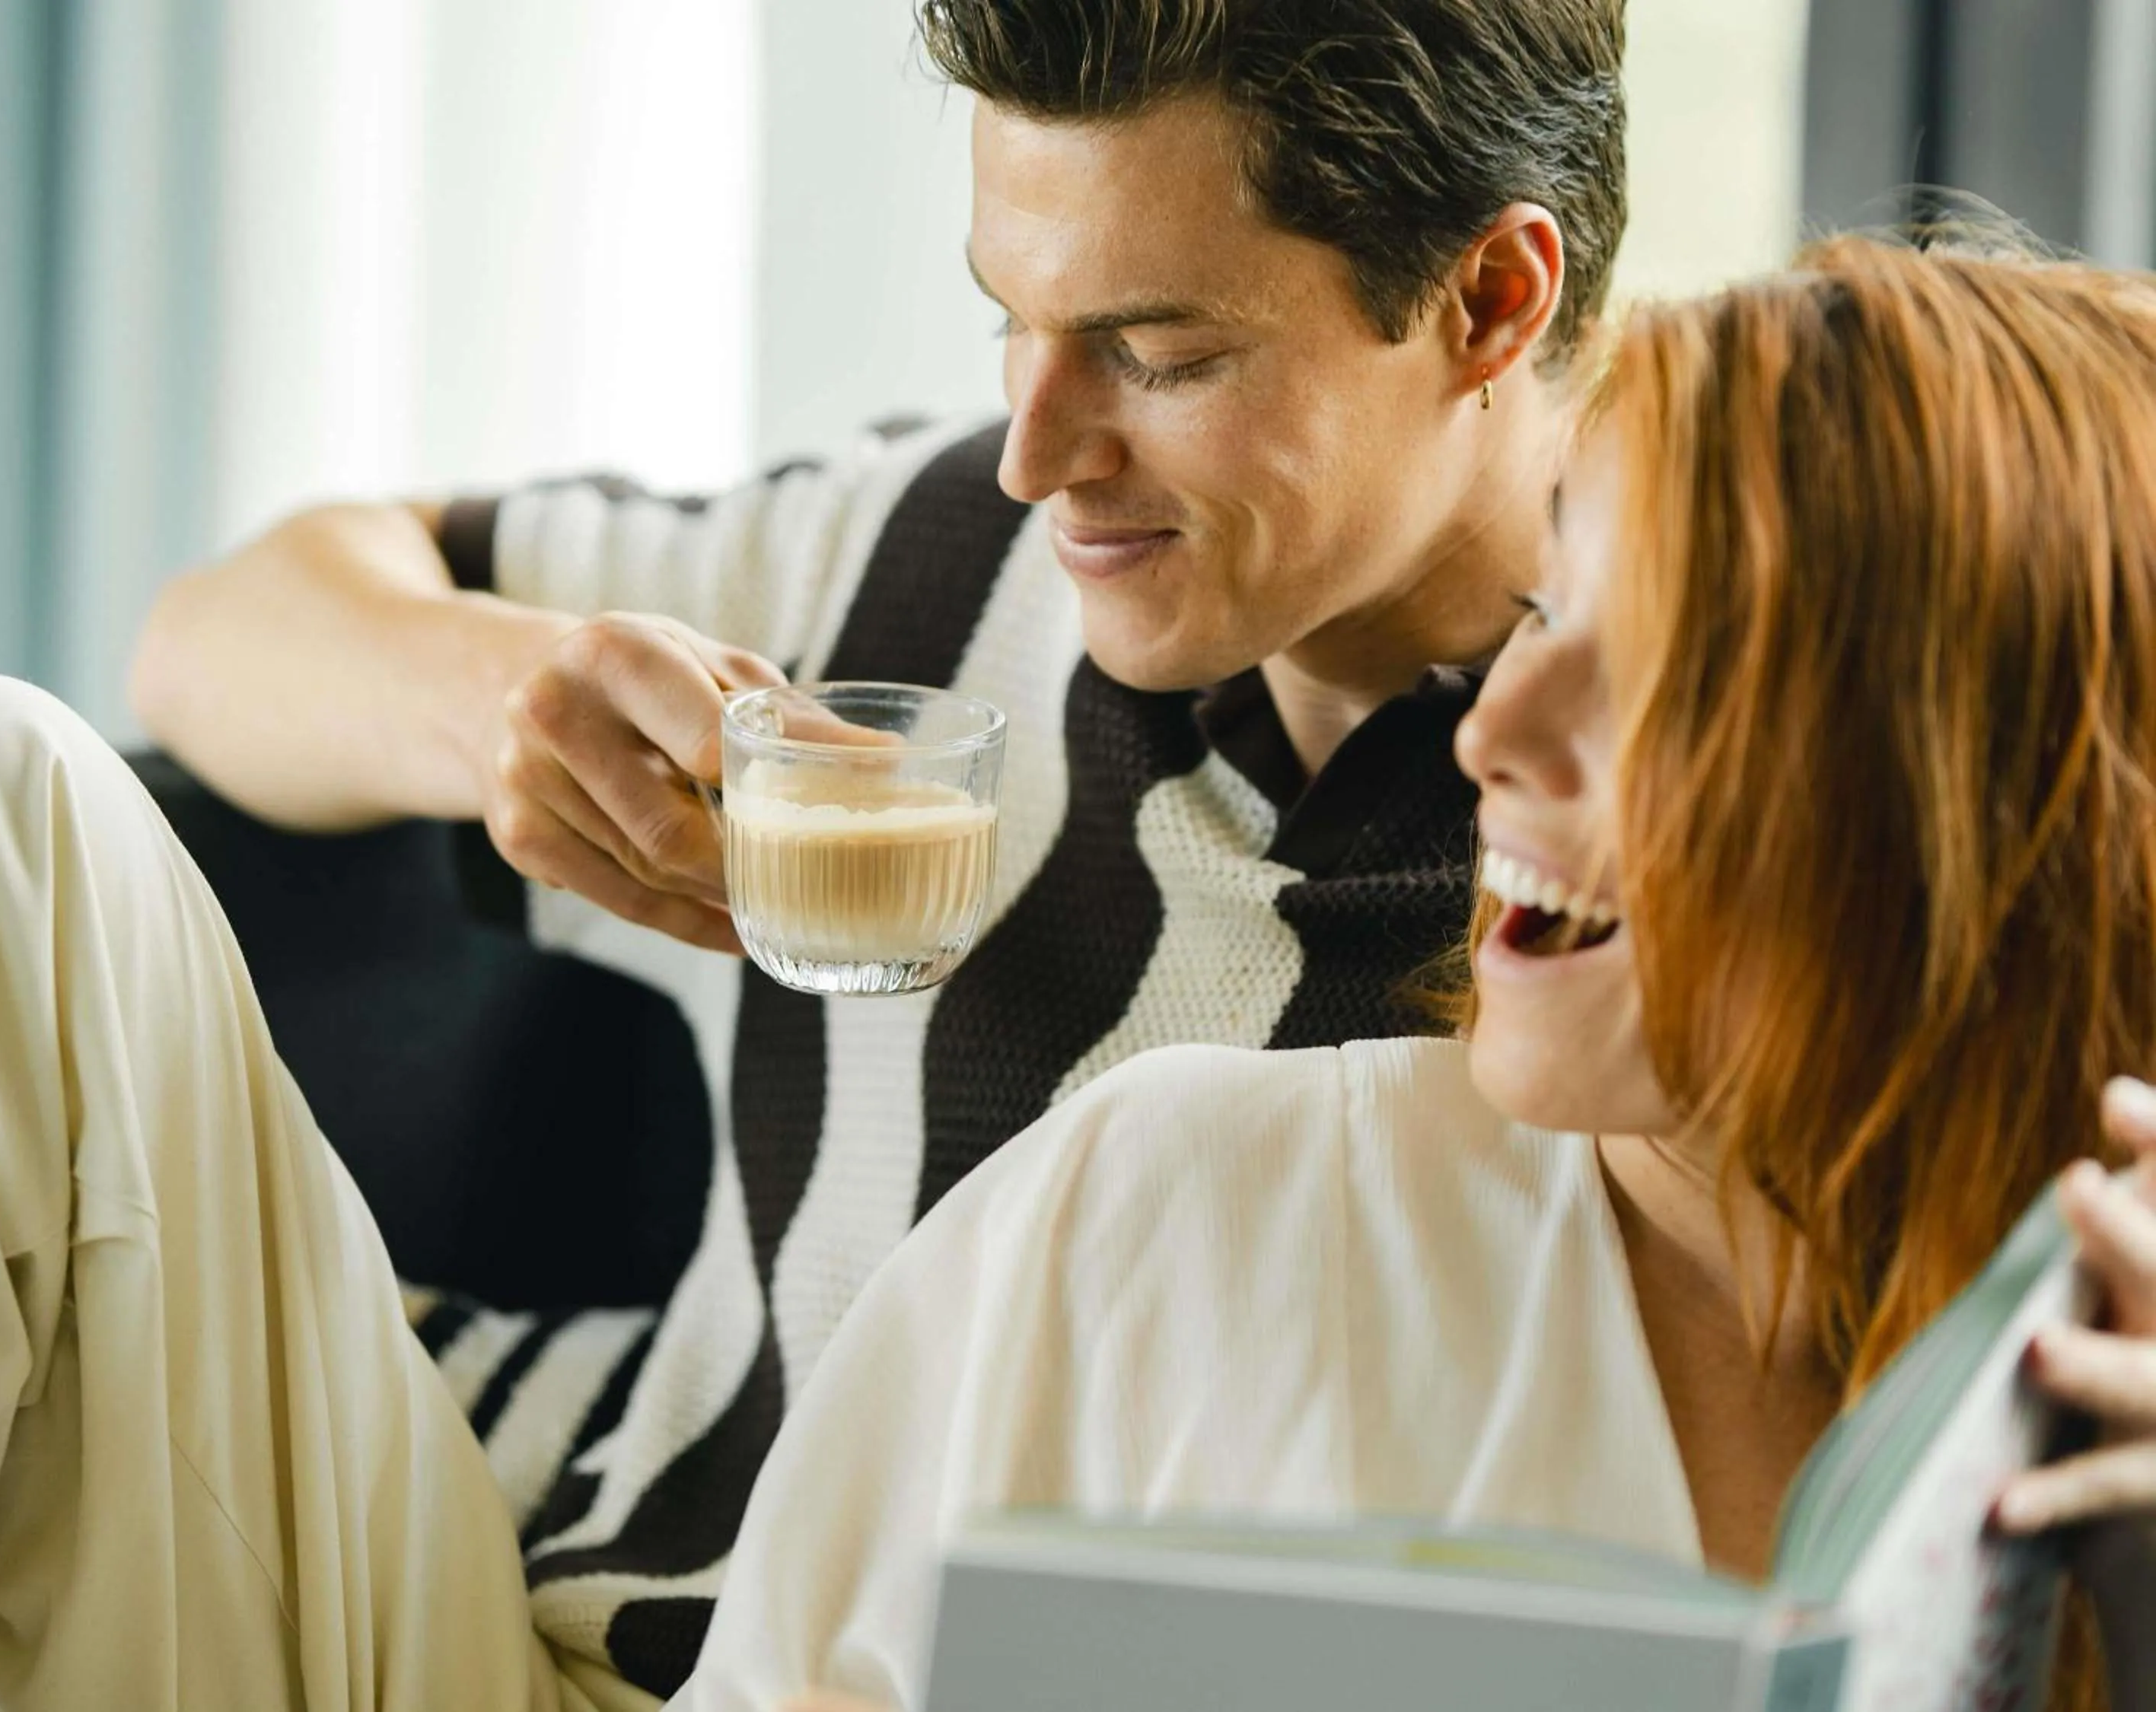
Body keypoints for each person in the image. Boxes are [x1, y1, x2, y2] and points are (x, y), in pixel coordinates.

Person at [126, 0, 1626, 1691]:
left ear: (1493, 298)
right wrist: (507, 709)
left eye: (1162, 354)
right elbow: (208, 638)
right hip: (488, 1594)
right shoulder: (934, 559)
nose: (1036, 452)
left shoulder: (1624, 861)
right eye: (1014, 321)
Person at [658, 240, 2156, 1711]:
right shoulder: (1158, 1218)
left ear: (1993, 813)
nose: (1492, 735)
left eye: (1669, 676)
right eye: (1549, 612)